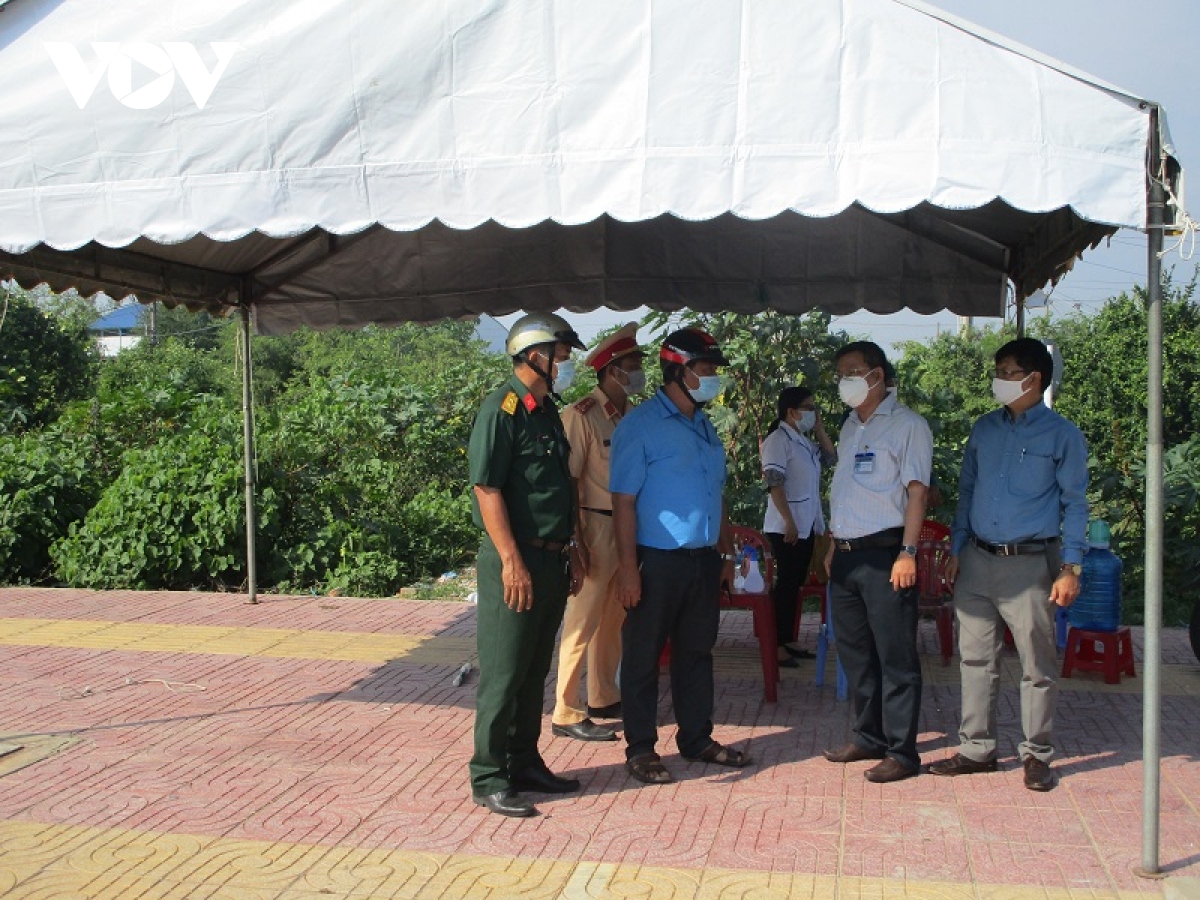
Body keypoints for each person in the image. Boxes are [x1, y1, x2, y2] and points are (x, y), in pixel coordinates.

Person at [929, 338, 1087, 792]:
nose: (997, 380)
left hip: (1031, 564)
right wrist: (956, 549)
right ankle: (976, 748)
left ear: (1033, 378)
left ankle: (1037, 755)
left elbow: (1075, 504)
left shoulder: (1062, 435)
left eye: (1006, 371)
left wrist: (1070, 567)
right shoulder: (985, 429)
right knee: (975, 659)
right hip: (977, 559)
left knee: (1037, 664)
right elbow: (967, 492)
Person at [610, 327, 750, 785]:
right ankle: (641, 748)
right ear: (678, 370)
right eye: (705, 369)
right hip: (657, 560)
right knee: (643, 655)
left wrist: (726, 554)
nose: (713, 378)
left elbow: (716, 493)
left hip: (702, 559)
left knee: (697, 652)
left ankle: (696, 739)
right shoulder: (641, 424)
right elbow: (623, 501)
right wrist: (628, 569)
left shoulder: (704, 424)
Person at [466, 311, 587, 818]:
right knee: (503, 672)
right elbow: (487, 488)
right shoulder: (503, 409)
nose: (565, 362)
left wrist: (574, 545)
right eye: (561, 354)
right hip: (514, 561)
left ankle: (525, 761)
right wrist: (512, 562)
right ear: (535, 354)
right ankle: (489, 775)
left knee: (534, 668)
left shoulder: (543, 412)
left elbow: (560, 487)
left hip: (551, 558)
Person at [822, 340, 932, 784]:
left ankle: (902, 751)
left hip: (887, 555)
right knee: (856, 655)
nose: (844, 380)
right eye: (840, 373)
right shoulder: (849, 426)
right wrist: (832, 544)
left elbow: (917, 493)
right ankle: (868, 736)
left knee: (896, 657)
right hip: (846, 557)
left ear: (878, 375)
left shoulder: (908, 426)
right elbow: (846, 491)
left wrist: (908, 553)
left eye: (853, 370)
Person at [551, 323, 646, 742]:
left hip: (627, 528)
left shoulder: (631, 418)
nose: (639, 371)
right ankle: (566, 710)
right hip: (594, 526)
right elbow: (568, 482)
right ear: (612, 371)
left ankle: (604, 696)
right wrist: (575, 541)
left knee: (614, 619)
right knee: (582, 621)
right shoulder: (581, 414)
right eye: (633, 365)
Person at [759, 386, 836, 667]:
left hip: (806, 523)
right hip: (786, 526)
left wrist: (820, 430)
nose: (813, 413)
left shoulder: (801, 440)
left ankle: (788, 639)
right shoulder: (778, 440)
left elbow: (831, 459)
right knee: (786, 585)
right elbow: (774, 483)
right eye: (808, 407)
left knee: (794, 585)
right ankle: (776, 644)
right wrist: (789, 520)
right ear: (791, 412)